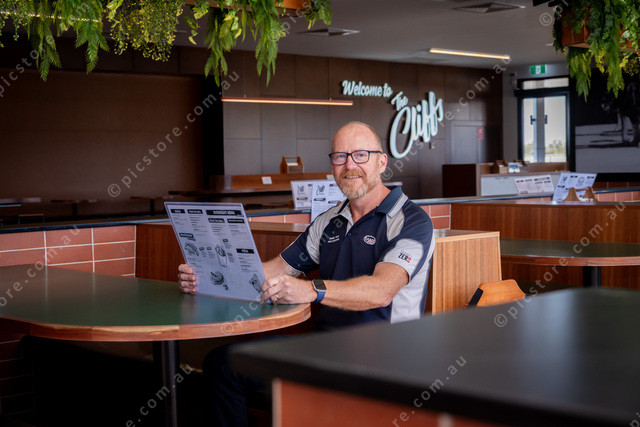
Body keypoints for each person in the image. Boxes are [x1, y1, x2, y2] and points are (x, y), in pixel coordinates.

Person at [178, 121, 435, 425]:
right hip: (324, 350)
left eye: (360, 155)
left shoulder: (412, 221)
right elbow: (274, 270)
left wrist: (312, 290)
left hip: (388, 360)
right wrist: (206, 274)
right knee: (224, 364)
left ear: (382, 162)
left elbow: (382, 291)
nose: (349, 165)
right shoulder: (329, 222)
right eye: (339, 157)